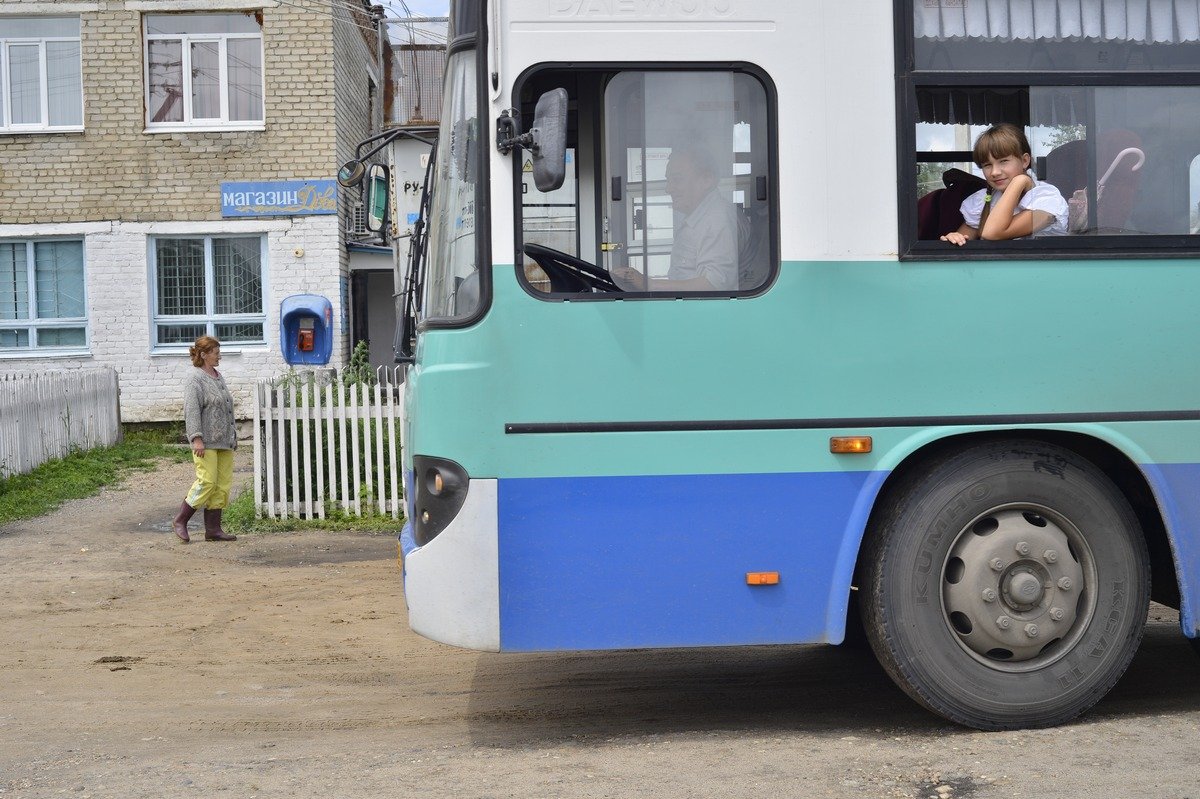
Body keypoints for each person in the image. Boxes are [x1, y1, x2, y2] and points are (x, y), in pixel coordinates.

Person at [612, 143, 739, 292]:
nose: (668, 188)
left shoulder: (717, 219)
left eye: (677, 180)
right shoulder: (701, 217)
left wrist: (649, 284)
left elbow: (714, 284)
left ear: (707, 179)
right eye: (668, 180)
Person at [941, 123, 1068, 246]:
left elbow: (992, 233)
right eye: (987, 165)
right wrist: (954, 239)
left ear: (1025, 161)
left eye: (1003, 161)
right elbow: (962, 247)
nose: (994, 172)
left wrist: (1019, 182)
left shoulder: (1047, 198)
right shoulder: (982, 200)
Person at [172, 335, 238, 543]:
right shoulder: (195, 378)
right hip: (206, 441)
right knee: (207, 481)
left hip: (223, 441)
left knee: (222, 484)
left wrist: (232, 436)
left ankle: (213, 529)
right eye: (216, 353)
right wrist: (196, 438)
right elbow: (191, 410)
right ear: (203, 355)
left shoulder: (218, 376)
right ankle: (181, 520)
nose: (219, 356)